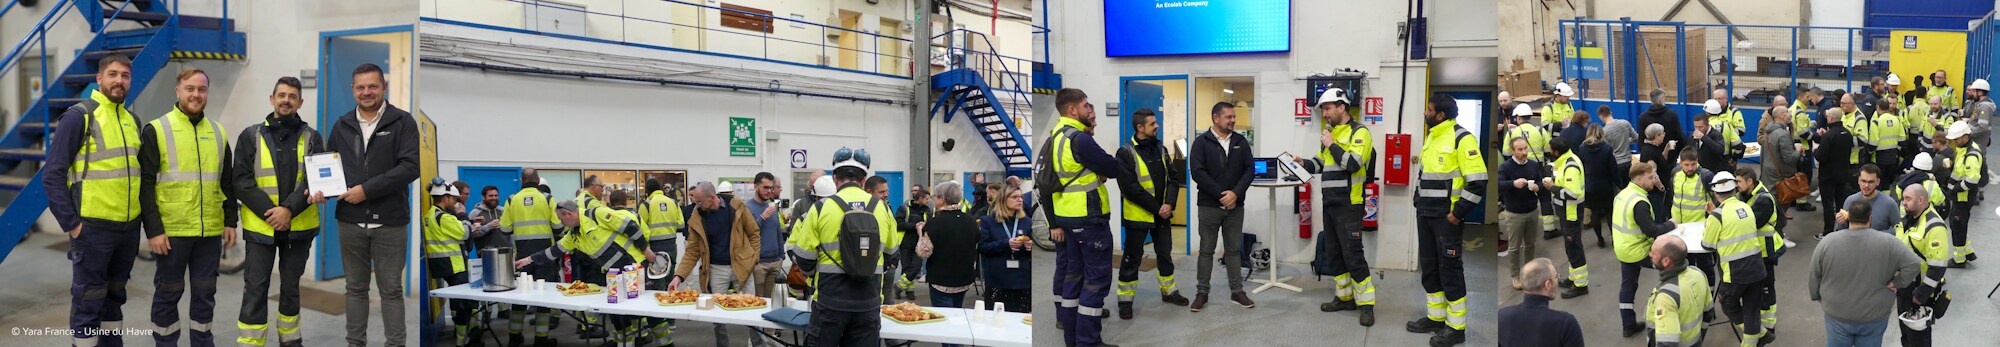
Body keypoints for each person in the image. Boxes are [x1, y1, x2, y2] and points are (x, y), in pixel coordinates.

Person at [314, 63, 421, 346]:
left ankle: (395, 344)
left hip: (390, 223)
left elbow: (410, 167)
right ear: (353, 90)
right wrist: (320, 189)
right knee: (355, 289)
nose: (366, 92)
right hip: (350, 222)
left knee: (391, 290)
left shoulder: (403, 122)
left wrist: (366, 191)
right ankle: (355, 343)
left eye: (373, 86)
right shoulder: (342, 124)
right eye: (360, 87)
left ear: (384, 87)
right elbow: (329, 165)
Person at [40, 53, 142, 347]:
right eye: (112, 74)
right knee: (88, 301)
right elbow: (52, 175)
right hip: (93, 230)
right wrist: (73, 226)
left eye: (125, 75)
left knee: (115, 299)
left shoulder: (132, 120)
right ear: (99, 79)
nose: (119, 81)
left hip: (127, 229)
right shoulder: (79, 116)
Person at [230, 76, 323, 347]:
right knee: (256, 287)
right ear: (272, 99)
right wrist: (274, 213)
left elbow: (314, 181)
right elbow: (242, 181)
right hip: (262, 227)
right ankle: (251, 343)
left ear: (300, 102)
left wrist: (289, 211)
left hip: (299, 227)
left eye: (292, 96)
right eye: (281, 95)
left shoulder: (312, 137)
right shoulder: (250, 136)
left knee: (291, 287)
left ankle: (290, 340)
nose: (286, 100)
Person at [787, 147, 901, 346]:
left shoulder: (820, 208)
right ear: (864, 180)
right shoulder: (882, 208)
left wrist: (817, 274)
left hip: (830, 301)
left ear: (835, 179)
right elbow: (892, 255)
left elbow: (803, 258)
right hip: (869, 301)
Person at [1038, 88, 1126, 347]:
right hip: (1089, 220)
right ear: (1072, 110)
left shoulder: (1055, 136)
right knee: (1096, 279)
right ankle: (1089, 341)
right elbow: (1113, 167)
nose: (1091, 110)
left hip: (1067, 218)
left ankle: (1072, 338)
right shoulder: (1079, 138)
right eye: (1087, 106)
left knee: (1074, 277)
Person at [515, 194, 650, 347]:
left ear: (569, 214)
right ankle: (623, 342)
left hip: (632, 267)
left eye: (561, 219)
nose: (561, 224)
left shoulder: (597, 214)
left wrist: (647, 252)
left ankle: (639, 340)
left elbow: (630, 226)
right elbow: (555, 250)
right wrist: (528, 260)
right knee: (616, 311)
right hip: (613, 273)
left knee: (634, 308)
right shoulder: (573, 235)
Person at [1406, 93, 1485, 347]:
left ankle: (1456, 328)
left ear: (1440, 114)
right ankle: (1436, 318)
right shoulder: (1432, 136)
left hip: (1446, 219)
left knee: (1450, 270)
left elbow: (1478, 181)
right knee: (1429, 268)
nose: (1425, 113)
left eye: (1429, 110)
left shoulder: (1463, 138)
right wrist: (1418, 200)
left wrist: (1458, 213)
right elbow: (1424, 175)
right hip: (1426, 215)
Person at [1298, 88, 1376, 324]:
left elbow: (1353, 163)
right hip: (1330, 202)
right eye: (1323, 109)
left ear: (1342, 107)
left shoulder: (1359, 132)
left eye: (1328, 108)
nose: (1325, 114)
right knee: (1334, 253)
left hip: (1349, 204)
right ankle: (1344, 297)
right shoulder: (1329, 134)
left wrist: (1331, 144)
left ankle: (1366, 304)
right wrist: (1303, 163)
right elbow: (1321, 164)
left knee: (1353, 255)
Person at [1810, 199, 1921, 347]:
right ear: (1870, 218)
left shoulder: (1828, 242)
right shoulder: (1888, 242)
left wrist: (1816, 296)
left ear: (1849, 217)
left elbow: (1814, 274)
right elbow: (1914, 264)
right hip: (1874, 314)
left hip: (1837, 313)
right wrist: (1897, 283)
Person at [1115, 108, 1189, 320]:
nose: (1157, 126)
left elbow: (1173, 179)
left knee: (1165, 254)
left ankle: (1169, 292)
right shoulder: (1125, 153)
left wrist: (1169, 204)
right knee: (1132, 258)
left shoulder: (1161, 148)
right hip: (1138, 217)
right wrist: (1158, 208)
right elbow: (1130, 188)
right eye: (1152, 124)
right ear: (1140, 128)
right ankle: (1125, 301)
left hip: (1163, 215)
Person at [671, 181, 761, 347]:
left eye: (699, 201)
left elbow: (754, 233)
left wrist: (752, 259)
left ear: (711, 198)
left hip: (742, 266)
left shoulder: (737, 207)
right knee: (717, 314)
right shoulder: (697, 217)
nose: (695, 205)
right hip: (716, 269)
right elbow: (692, 251)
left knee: (752, 311)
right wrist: (679, 276)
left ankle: (757, 344)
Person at [1189, 100, 1256, 313]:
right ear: (1216, 118)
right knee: (1206, 250)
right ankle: (1202, 293)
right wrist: (1222, 195)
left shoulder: (1240, 141)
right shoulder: (1201, 142)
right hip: (1209, 206)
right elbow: (1198, 173)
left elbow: (1249, 170)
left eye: (1234, 117)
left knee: (1233, 250)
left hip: (1236, 205)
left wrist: (1235, 193)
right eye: (1229, 117)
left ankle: (1237, 291)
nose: (1233, 120)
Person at [1700, 172, 1771, 345]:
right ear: (1735, 191)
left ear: (1716, 194)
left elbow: (1707, 244)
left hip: (1735, 272)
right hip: (1757, 267)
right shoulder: (1746, 207)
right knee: (1751, 309)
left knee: (1728, 304)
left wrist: (1711, 218)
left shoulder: (1717, 216)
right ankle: (1759, 335)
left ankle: (1759, 334)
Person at [1615, 161, 1679, 337]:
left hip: (1623, 249)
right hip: (1639, 250)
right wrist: (1671, 224)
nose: (1653, 180)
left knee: (1628, 286)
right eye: (1650, 178)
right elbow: (1652, 230)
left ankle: (1628, 325)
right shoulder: (1639, 202)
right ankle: (1674, 309)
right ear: (1639, 178)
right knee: (1674, 269)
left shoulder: (1622, 195)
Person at [500, 169, 561, 346]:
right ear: (537, 181)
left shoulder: (512, 199)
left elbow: (504, 229)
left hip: (522, 255)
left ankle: (514, 336)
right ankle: (541, 339)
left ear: (522, 180)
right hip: (545, 255)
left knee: (520, 297)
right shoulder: (548, 199)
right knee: (543, 296)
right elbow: (557, 227)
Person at [915, 181, 978, 347]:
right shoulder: (971, 221)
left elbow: (923, 252)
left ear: (942, 199)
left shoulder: (935, 223)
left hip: (941, 280)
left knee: (946, 323)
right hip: (964, 278)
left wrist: (921, 233)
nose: (934, 200)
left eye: (936, 197)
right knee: (957, 316)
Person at [1894, 184, 1951, 347]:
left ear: (1921, 200)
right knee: (1905, 335)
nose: (1903, 202)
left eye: (1908, 199)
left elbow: (1938, 267)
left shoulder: (1934, 227)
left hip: (1918, 293)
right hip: (1904, 288)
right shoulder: (1908, 219)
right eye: (1903, 198)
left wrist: (1920, 295)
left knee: (1918, 340)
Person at [420, 180, 476, 347]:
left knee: (458, 302)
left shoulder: (430, 215)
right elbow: (465, 233)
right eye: (453, 198)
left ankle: (466, 335)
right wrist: (463, 215)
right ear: (445, 197)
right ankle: (462, 341)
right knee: (462, 305)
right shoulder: (443, 217)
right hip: (454, 265)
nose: (456, 202)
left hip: (443, 265)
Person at [1738, 170, 1785, 338]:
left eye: (1739, 182)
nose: (1737, 186)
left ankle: (1768, 327)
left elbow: (1750, 224)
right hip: (1756, 251)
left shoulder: (1763, 200)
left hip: (1764, 251)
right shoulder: (1750, 194)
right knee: (1757, 288)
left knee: (1766, 289)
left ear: (1749, 182)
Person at [637, 178, 683, 347]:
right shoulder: (673, 202)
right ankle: (671, 321)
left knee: (657, 285)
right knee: (671, 284)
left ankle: (660, 321)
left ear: (648, 191)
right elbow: (681, 224)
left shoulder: (646, 204)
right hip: (671, 246)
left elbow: (639, 229)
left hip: (655, 251)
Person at [1497, 258, 1584, 347]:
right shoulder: (1565, 324)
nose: (1557, 280)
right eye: (1556, 277)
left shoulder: (1501, 317)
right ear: (1547, 285)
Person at [742, 173, 786, 346]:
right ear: (756, 187)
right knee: (756, 302)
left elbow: (778, 232)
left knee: (770, 303)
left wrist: (782, 256)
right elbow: (746, 234)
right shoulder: (748, 208)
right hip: (758, 263)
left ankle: (769, 337)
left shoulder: (771, 206)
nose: (769, 191)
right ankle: (755, 340)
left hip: (775, 261)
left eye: (771, 187)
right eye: (765, 187)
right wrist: (762, 218)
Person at [1647, 235, 1711, 347]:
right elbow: (1709, 311)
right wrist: (1698, 339)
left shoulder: (1666, 296)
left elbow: (1666, 343)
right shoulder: (1698, 273)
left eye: (1654, 252)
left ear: (1666, 261)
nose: (1650, 254)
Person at [979, 184, 1034, 313]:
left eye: (1020, 197)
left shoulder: (1027, 222)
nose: (1020, 200)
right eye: (1015, 197)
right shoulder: (988, 221)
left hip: (1022, 279)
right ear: (1003, 199)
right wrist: (1005, 243)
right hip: (998, 279)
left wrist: (1030, 247)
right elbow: (982, 247)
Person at [1498, 138, 1543, 290]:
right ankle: (1516, 276)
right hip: (1514, 213)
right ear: (1512, 151)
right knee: (1514, 247)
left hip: (1532, 210)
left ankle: (1528, 273)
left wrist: (1538, 186)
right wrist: (1513, 184)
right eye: (1520, 150)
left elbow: (1540, 180)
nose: (1524, 152)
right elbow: (1498, 184)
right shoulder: (1506, 167)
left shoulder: (1533, 165)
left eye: (1525, 149)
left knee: (1530, 244)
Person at [1549, 138, 1591, 299]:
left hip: (1571, 214)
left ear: (1557, 152)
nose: (1549, 152)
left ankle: (1581, 285)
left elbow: (1572, 194)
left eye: (1550, 150)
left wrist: (1551, 187)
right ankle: (1574, 278)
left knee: (1574, 248)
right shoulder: (1565, 161)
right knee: (1570, 248)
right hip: (1566, 213)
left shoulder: (1571, 166)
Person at [1941, 120, 1985, 267]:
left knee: (1957, 225)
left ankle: (1959, 260)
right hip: (1960, 196)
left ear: (1966, 136)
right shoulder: (1964, 149)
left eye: (1956, 139)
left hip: (1963, 197)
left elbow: (1971, 180)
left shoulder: (1971, 154)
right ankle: (1968, 252)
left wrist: (1954, 189)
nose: (1954, 142)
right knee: (1959, 224)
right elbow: (1963, 171)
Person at [1817, 108, 1858, 237]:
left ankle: (1828, 232)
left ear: (1831, 118)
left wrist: (1815, 150)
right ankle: (1842, 229)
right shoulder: (1847, 134)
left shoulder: (1828, 136)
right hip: (1843, 174)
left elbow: (1820, 156)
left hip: (1827, 176)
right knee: (1841, 203)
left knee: (1828, 205)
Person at [890, 184, 931, 300]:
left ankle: (898, 286)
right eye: (927, 199)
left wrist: (925, 226)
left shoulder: (927, 210)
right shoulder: (904, 208)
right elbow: (898, 224)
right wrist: (915, 226)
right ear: (921, 198)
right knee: (906, 266)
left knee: (916, 266)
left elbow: (930, 224)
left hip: (920, 243)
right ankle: (909, 291)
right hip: (905, 242)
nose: (928, 201)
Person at [1579, 124, 1617, 249]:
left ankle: (1600, 239)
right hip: (1605, 185)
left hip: (1590, 185)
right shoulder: (1606, 148)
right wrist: (1618, 183)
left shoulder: (1582, 148)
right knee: (1610, 213)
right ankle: (1614, 238)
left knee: (1595, 213)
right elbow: (1613, 168)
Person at [1840, 164, 1901, 233]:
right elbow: (1843, 230)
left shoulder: (1889, 203)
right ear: (1858, 180)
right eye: (1863, 181)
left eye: (1871, 182)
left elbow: (1899, 229)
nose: (1866, 185)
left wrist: (1877, 236)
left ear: (1878, 182)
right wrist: (1840, 222)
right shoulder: (1850, 201)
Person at [1638, 89, 1688, 159]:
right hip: (1670, 155)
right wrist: (1678, 151)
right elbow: (1678, 135)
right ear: (1662, 99)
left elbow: (1641, 139)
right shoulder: (1671, 115)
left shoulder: (1642, 117)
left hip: (1650, 155)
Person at [1668, 151, 1714, 224]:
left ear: (1697, 161)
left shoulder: (1706, 176)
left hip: (1699, 224)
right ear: (1681, 163)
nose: (1690, 168)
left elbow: (1717, 199)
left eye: (1693, 164)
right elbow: (1672, 195)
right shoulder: (1675, 173)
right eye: (1686, 165)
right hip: (1678, 224)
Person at [1599, 104, 1639, 189]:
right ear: (1611, 112)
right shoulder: (1625, 123)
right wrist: (1626, 142)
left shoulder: (1604, 131)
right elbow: (1636, 138)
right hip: (1628, 161)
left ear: (1601, 117)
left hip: (1615, 163)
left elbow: (1606, 149)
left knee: (1619, 189)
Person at [1710, 90, 1748, 163]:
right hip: (1713, 152)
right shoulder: (1710, 112)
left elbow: (1741, 131)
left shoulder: (1734, 112)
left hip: (1729, 155)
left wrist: (1725, 131)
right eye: (1715, 99)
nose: (1717, 101)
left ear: (1726, 99)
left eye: (1719, 98)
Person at [1871, 101, 1905, 173]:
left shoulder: (1876, 122)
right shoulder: (1897, 120)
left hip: (1879, 157)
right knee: (1889, 180)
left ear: (1878, 107)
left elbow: (1873, 143)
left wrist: (1868, 153)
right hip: (1893, 155)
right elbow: (1902, 139)